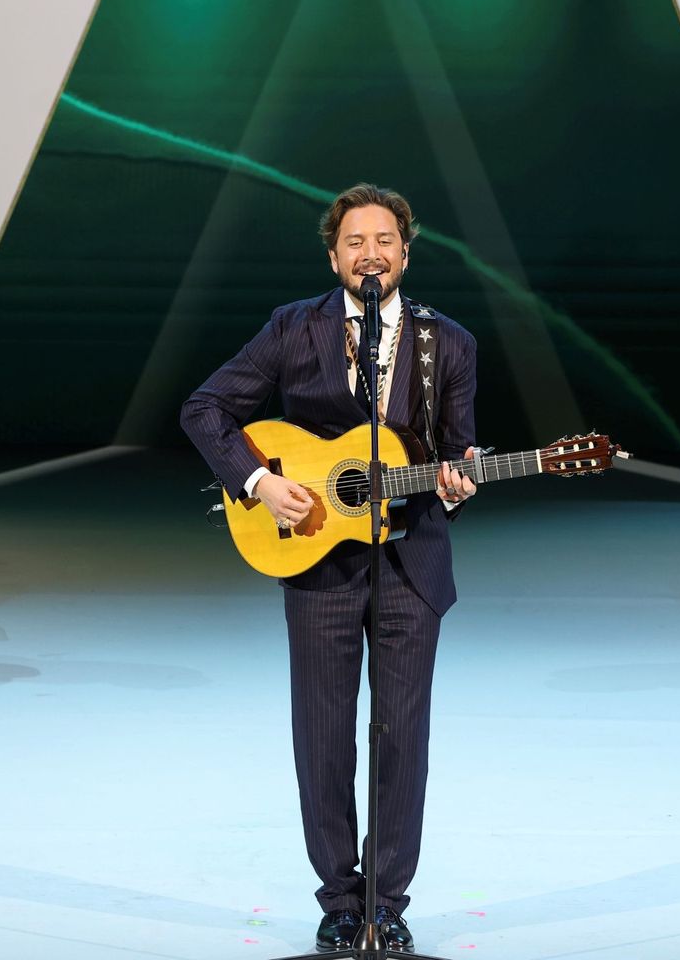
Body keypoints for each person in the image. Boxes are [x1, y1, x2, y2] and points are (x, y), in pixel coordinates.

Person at [182, 184, 477, 951]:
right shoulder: (295, 327)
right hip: (318, 563)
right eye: (355, 241)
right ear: (334, 253)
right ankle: (340, 900)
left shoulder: (448, 344)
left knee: (401, 738)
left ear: (405, 252)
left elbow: (455, 454)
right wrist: (259, 481)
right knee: (323, 735)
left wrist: (458, 479)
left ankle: (389, 903)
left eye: (385, 240)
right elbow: (205, 409)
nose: (370, 253)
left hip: (412, 562)